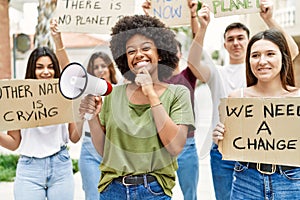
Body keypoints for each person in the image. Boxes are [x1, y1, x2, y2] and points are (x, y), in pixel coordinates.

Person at [187, 1, 299, 199]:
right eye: (230, 39)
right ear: (225, 44)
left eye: (241, 38)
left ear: (248, 41)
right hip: (227, 151)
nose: (236, 43)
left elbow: (291, 52)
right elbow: (194, 62)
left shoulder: (282, 85)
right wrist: (202, 26)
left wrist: (268, 18)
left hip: (280, 163)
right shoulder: (217, 73)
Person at [78, 14, 195, 199]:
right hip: (113, 191)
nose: (138, 54)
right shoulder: (112, 95)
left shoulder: (178, 93)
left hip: (154, 191)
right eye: (131, 51)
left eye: (146, 48)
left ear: (160, 53)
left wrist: (150, 92)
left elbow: (175, 146)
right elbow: (103, 151)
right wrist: (92, 117)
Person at [213, 28, 300, 199]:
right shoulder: (237, 98)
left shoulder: (298, 98)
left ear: (283, 57)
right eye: (255, 55)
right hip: (246, 180)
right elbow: (229, 142)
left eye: (270, 54)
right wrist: (220, 139)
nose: (262, 61)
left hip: (291, 180)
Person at [50, 20, 119, 200]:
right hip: (89, 150)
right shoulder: (85, 90)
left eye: (103, 65)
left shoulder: (120, 91)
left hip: (113, 149)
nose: (100, 70)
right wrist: (58, 41)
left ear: (110, 68)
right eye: (95, 67)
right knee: (93, 196)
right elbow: (68, 69)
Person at [0, 46, 81, 200]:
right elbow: (13, 143)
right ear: (32, 70)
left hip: (60, 165)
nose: (46, 72)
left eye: (51, 67)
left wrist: (84, 116)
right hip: (29, 169)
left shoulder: (64, 96)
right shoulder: (19, 98)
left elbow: (74, 137)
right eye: (39, 67)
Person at [142, 1, 200, 199]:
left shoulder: (188, 75)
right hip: (160, 145)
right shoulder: (156, 80)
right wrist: (149, 16)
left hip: (187, 145)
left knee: (190, 194)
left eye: (175, 50)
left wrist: (193, 17)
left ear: (181, 54)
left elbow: (197, 44)